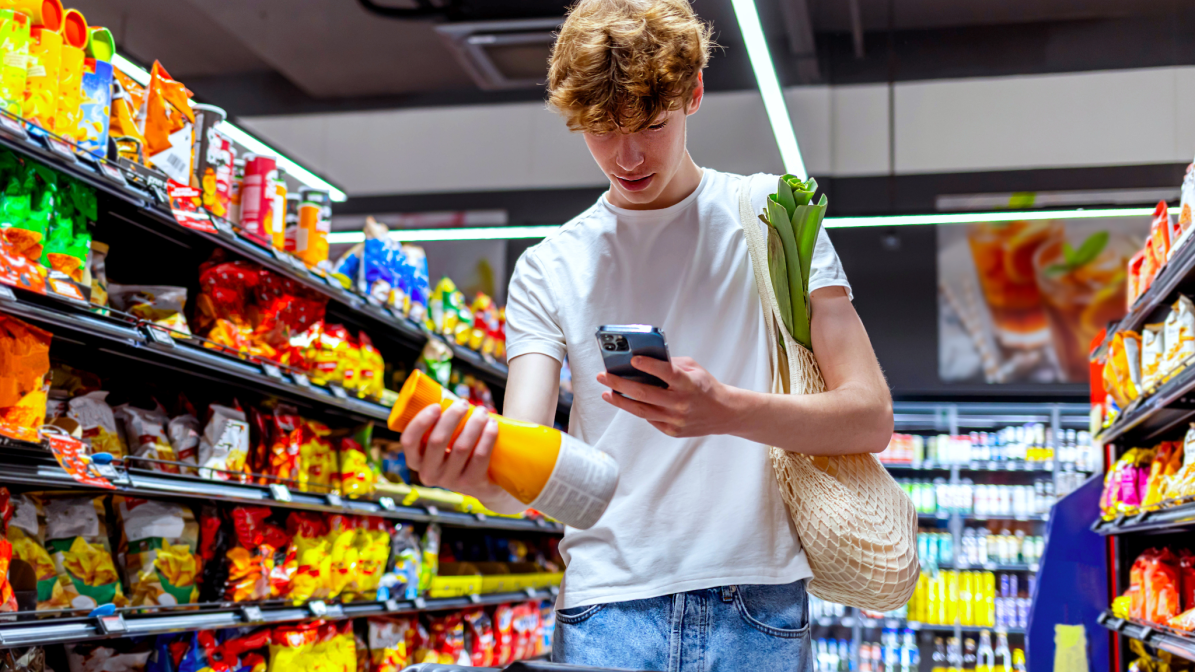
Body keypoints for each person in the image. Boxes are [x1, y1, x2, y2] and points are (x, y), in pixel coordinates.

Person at [397, 0, 894, 669]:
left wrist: (725, 411)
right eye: (601, 129)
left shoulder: (776, 219)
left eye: (651, 125)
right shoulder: (549, 266)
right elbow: (526, 474)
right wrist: (467, 470)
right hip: (605, 609)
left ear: (693, 94)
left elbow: (868, 418)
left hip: (755, 603)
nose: (626, 157)